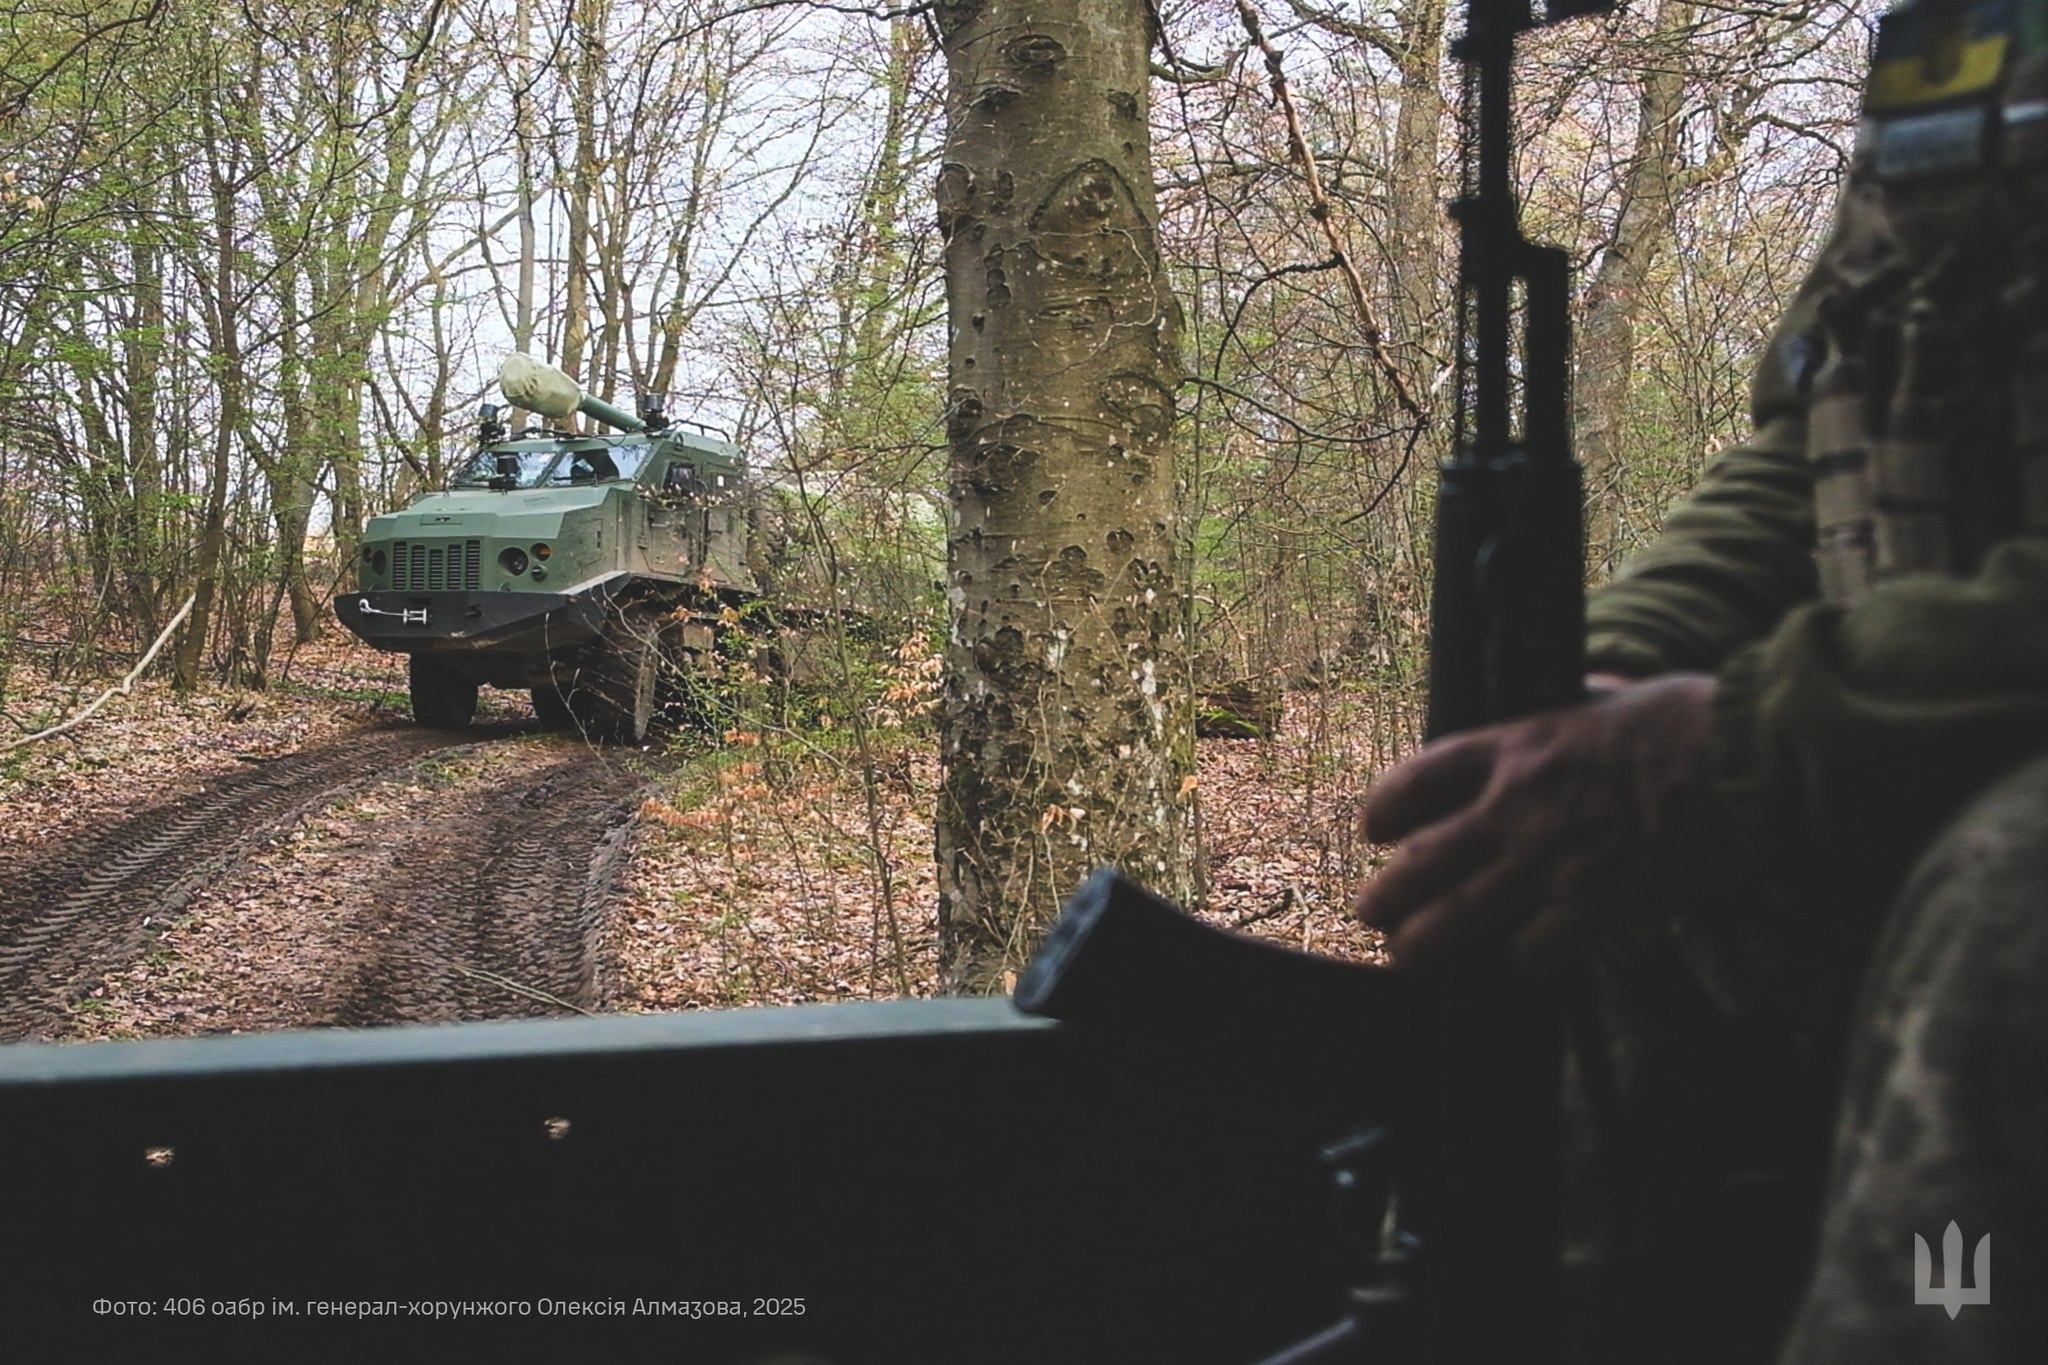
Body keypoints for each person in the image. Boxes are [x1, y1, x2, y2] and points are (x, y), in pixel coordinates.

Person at [1353, 1, 2048, 1360]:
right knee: (1560, 884)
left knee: (2009, 892)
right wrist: (1599, 682)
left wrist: (1757, 738)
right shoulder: (1971, 34)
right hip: (1930, 725)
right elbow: (1823, 434)